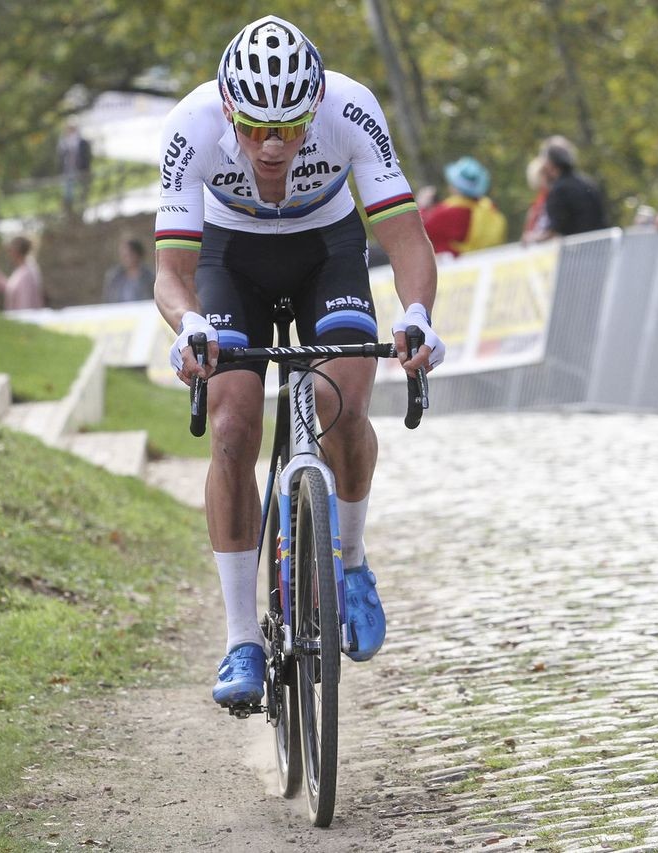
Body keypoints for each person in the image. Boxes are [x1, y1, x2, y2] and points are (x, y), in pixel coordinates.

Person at [152, 15, 442, 708]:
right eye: (254, 129)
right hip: (230, 260)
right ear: (229, 109)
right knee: (231, 427)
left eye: (289, 127)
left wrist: (416, 315)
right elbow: (171, 271)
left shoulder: (351, 107)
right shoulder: (189, 126)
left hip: (326, 252)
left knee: (342, 404)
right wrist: (189, 323)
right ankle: (241, 636)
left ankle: (350, 561)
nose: (273, 146)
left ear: (316, 105)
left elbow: (405, 238)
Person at [421, 156, 507, 257]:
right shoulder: (490, 207)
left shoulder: (450, 213)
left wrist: (422, 206)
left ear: (455, 187)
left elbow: (419, 230)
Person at [536, 138, 607, 239]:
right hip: (601, 247)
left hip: (577, 252)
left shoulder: (559, 190)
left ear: (551, 164)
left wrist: (534, 239)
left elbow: (555, 229)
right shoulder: (588, 183)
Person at [0, 236, 44, 311]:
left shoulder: (27, 274)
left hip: (23, 318)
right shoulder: (22, 270)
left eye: (10, 250)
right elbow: (8, 288)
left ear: (16, 252)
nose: (9, 254)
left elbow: (25, 306)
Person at [102, 237, 155, 303]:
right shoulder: (114, 277)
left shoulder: (150, 277)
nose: (126, 258)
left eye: (129, 255)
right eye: (124, 255)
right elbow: (109, 299)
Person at [57, 120, 93, 216]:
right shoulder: (64, 142)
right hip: (68, 171)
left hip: (81, 171)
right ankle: (70, 214)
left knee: (82, 193)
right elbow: (61, 157)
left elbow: (87, 157)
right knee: (68, 193)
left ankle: (81, 213)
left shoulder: (82, 142)